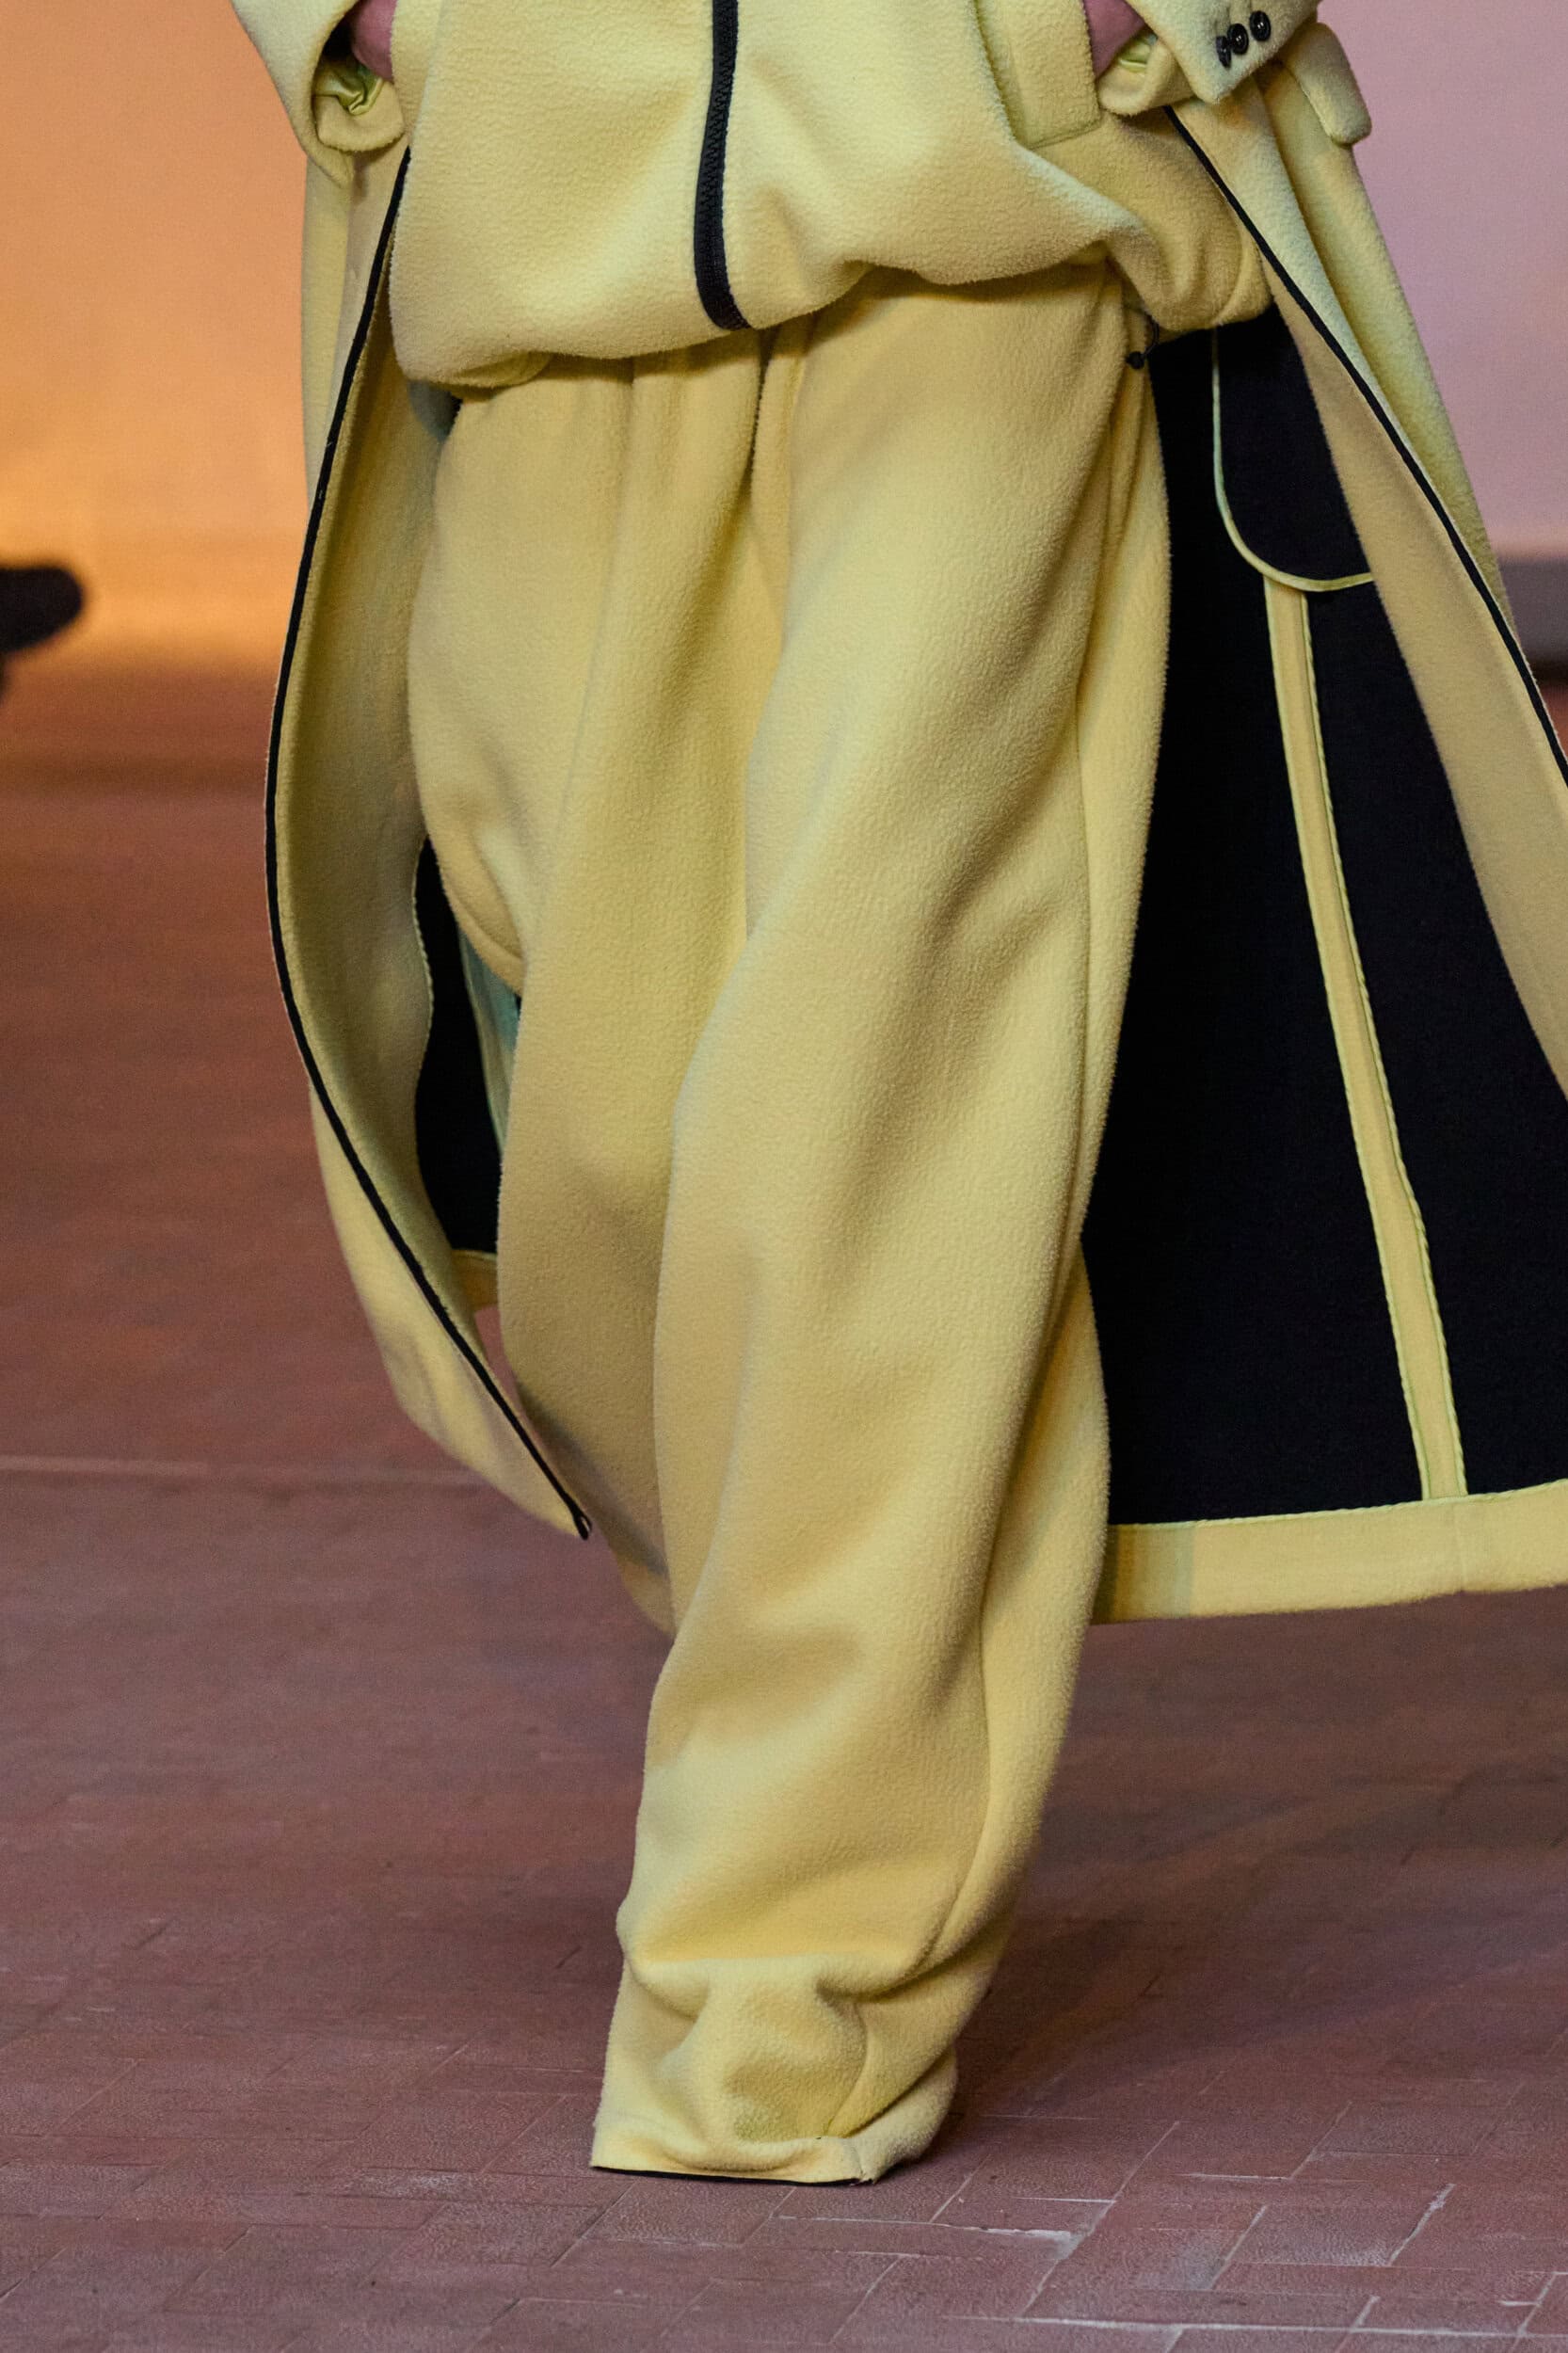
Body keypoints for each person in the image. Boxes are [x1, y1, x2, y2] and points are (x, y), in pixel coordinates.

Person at [233, 0, 1568, 2185]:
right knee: (618, 1180)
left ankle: (780, 1989)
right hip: (536, 239)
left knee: (867, 1112)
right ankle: (815, 1650)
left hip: (996, 238)